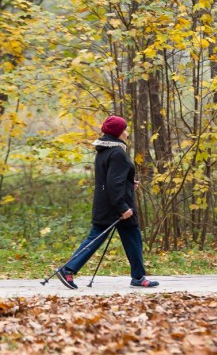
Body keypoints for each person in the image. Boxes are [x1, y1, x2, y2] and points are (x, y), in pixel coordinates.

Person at [57, 116, 159, 289]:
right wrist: (123, 207)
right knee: (126, 237)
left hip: (105, 203)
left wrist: (129, 183)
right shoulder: (117, 153)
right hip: (117, 206)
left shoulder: (104, 150)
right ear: (118, 133)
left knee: (123, 236)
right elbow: (113, 183)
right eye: (125, 130)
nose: (127, 133)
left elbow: (110, 179)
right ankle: (68, 269)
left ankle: (138, 277)